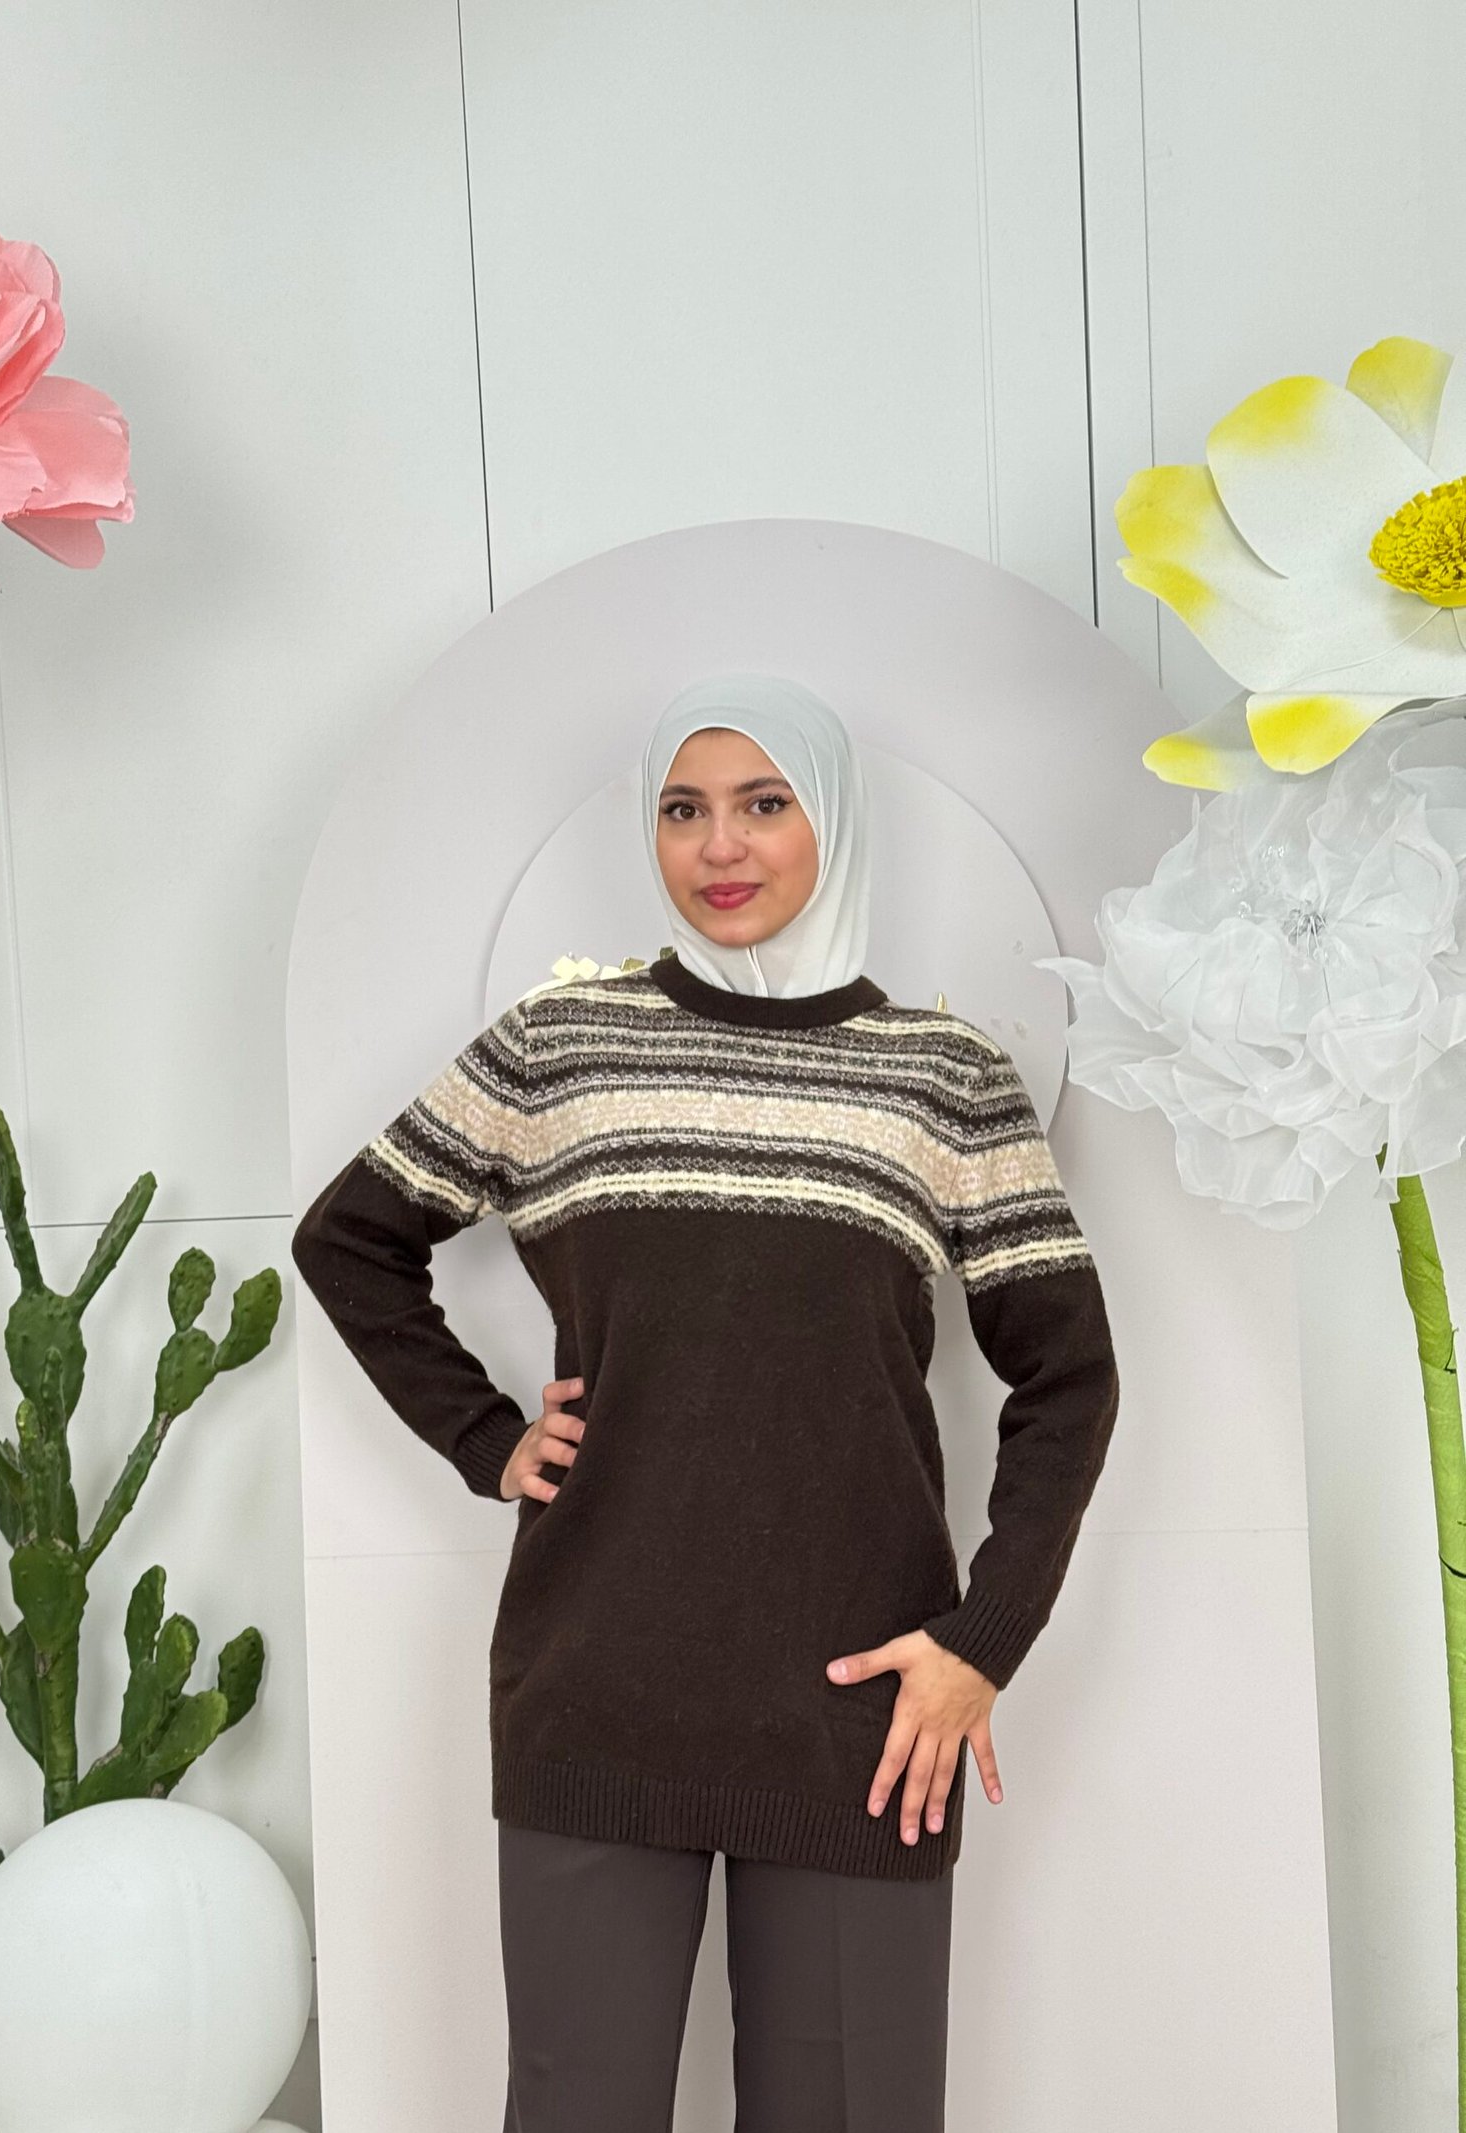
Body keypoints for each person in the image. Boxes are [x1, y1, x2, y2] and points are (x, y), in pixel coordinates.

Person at [291, 672, 1120, 2132]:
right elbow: (349, 1239)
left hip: (866, 1713)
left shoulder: (944, 1078)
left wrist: (981, 1642)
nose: (720, 847)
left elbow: (1070, 1373)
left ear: (830, 821)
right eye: (684, 810)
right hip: (597, 1688)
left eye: (764, 804)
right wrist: (488, 1439)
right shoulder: (562, 1047)